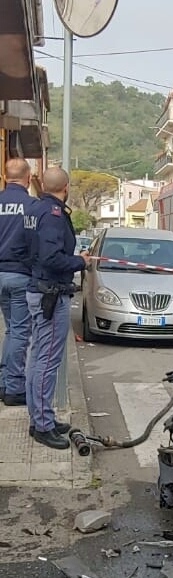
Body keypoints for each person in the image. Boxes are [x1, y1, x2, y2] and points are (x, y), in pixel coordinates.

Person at [25, 167, 88, 449]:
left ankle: (41, 416)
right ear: (66, 187)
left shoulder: (34, 209)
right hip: (51, 294)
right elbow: (52, 257)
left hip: (37, 289)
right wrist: (80, 262)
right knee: (47, 362)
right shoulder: (52, 215)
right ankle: (43, 425)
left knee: (37, 359)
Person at [0, 158, 36, 406]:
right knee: (19, 332)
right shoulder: (32, 206)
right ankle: (13, 388)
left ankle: (4, 382)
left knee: (11, 330)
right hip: (20, 275)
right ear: (29, 177)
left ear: (5, 177)